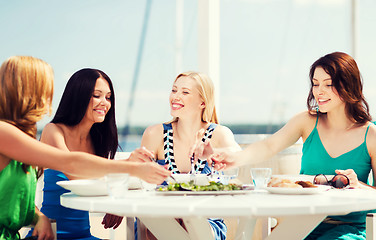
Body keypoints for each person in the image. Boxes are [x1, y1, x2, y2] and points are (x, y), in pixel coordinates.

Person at [201, 52, 376, 240]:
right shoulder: (307, 121)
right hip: (303, 224)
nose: (319, 92)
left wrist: (357, 185)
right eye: (316, 84)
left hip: (348, 230)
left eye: (329, 84)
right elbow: (269, 146)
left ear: (349, 85)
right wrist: (232, 159)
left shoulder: (370, 135)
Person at [0, 56, 171, 240]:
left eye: (108, 97)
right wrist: (132, 167)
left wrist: (40, 217)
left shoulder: (23, 138)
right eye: (45, 89)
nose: (48, 98)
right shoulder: (9, 132)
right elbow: (72, 165)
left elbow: (17, 199)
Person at [27, 68, 148, 239]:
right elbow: (77, 175)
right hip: (50, 234)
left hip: (84, 235)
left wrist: (117, 203)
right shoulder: (53, 131)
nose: (104, 103)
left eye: (108, 97)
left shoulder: (97, 140)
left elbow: (101, 181)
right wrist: (128, 165)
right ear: (79, 96)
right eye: (96, 95)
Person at [141, 71, 241, 240]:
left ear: (203, 102)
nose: (175, 96)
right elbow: (138, 176)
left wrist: (215, 153)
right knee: (163, 220)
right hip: (159, 219)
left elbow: (238, 156)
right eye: (174, 90)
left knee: (191, 224)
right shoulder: (154, 134)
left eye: (185, 92)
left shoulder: (219, 134)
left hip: (206, 222)